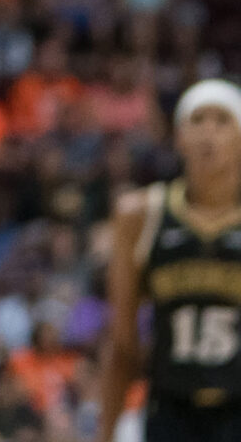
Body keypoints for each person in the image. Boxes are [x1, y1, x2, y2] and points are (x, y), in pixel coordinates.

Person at [100, 79, 241, 442]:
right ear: (179, 137)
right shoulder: (141, 215)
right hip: (170, 409)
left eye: (222, 120)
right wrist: (105, 432)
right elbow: (123, 342)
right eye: (197, 119)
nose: (208, 131)